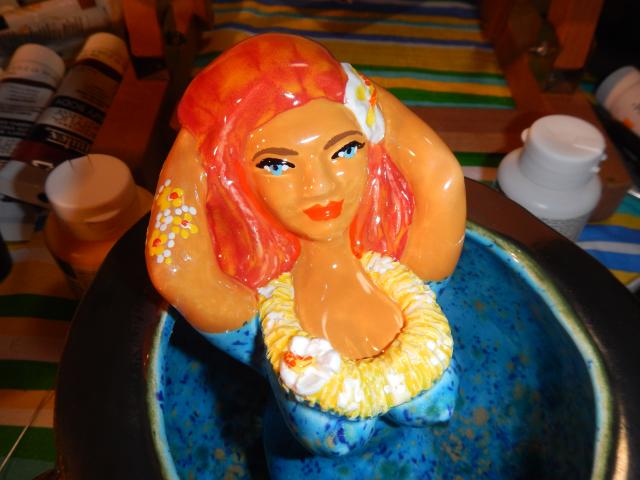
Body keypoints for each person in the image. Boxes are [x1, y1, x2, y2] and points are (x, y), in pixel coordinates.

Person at [146, 33, 465, 456]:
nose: (321, 185)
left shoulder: (411, 271)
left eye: (344, 150)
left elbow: (441, 176)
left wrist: (361, 94)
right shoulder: (255, 320)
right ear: (233, 176)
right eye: (278, 164)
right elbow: (174, 267)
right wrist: (196, 142)